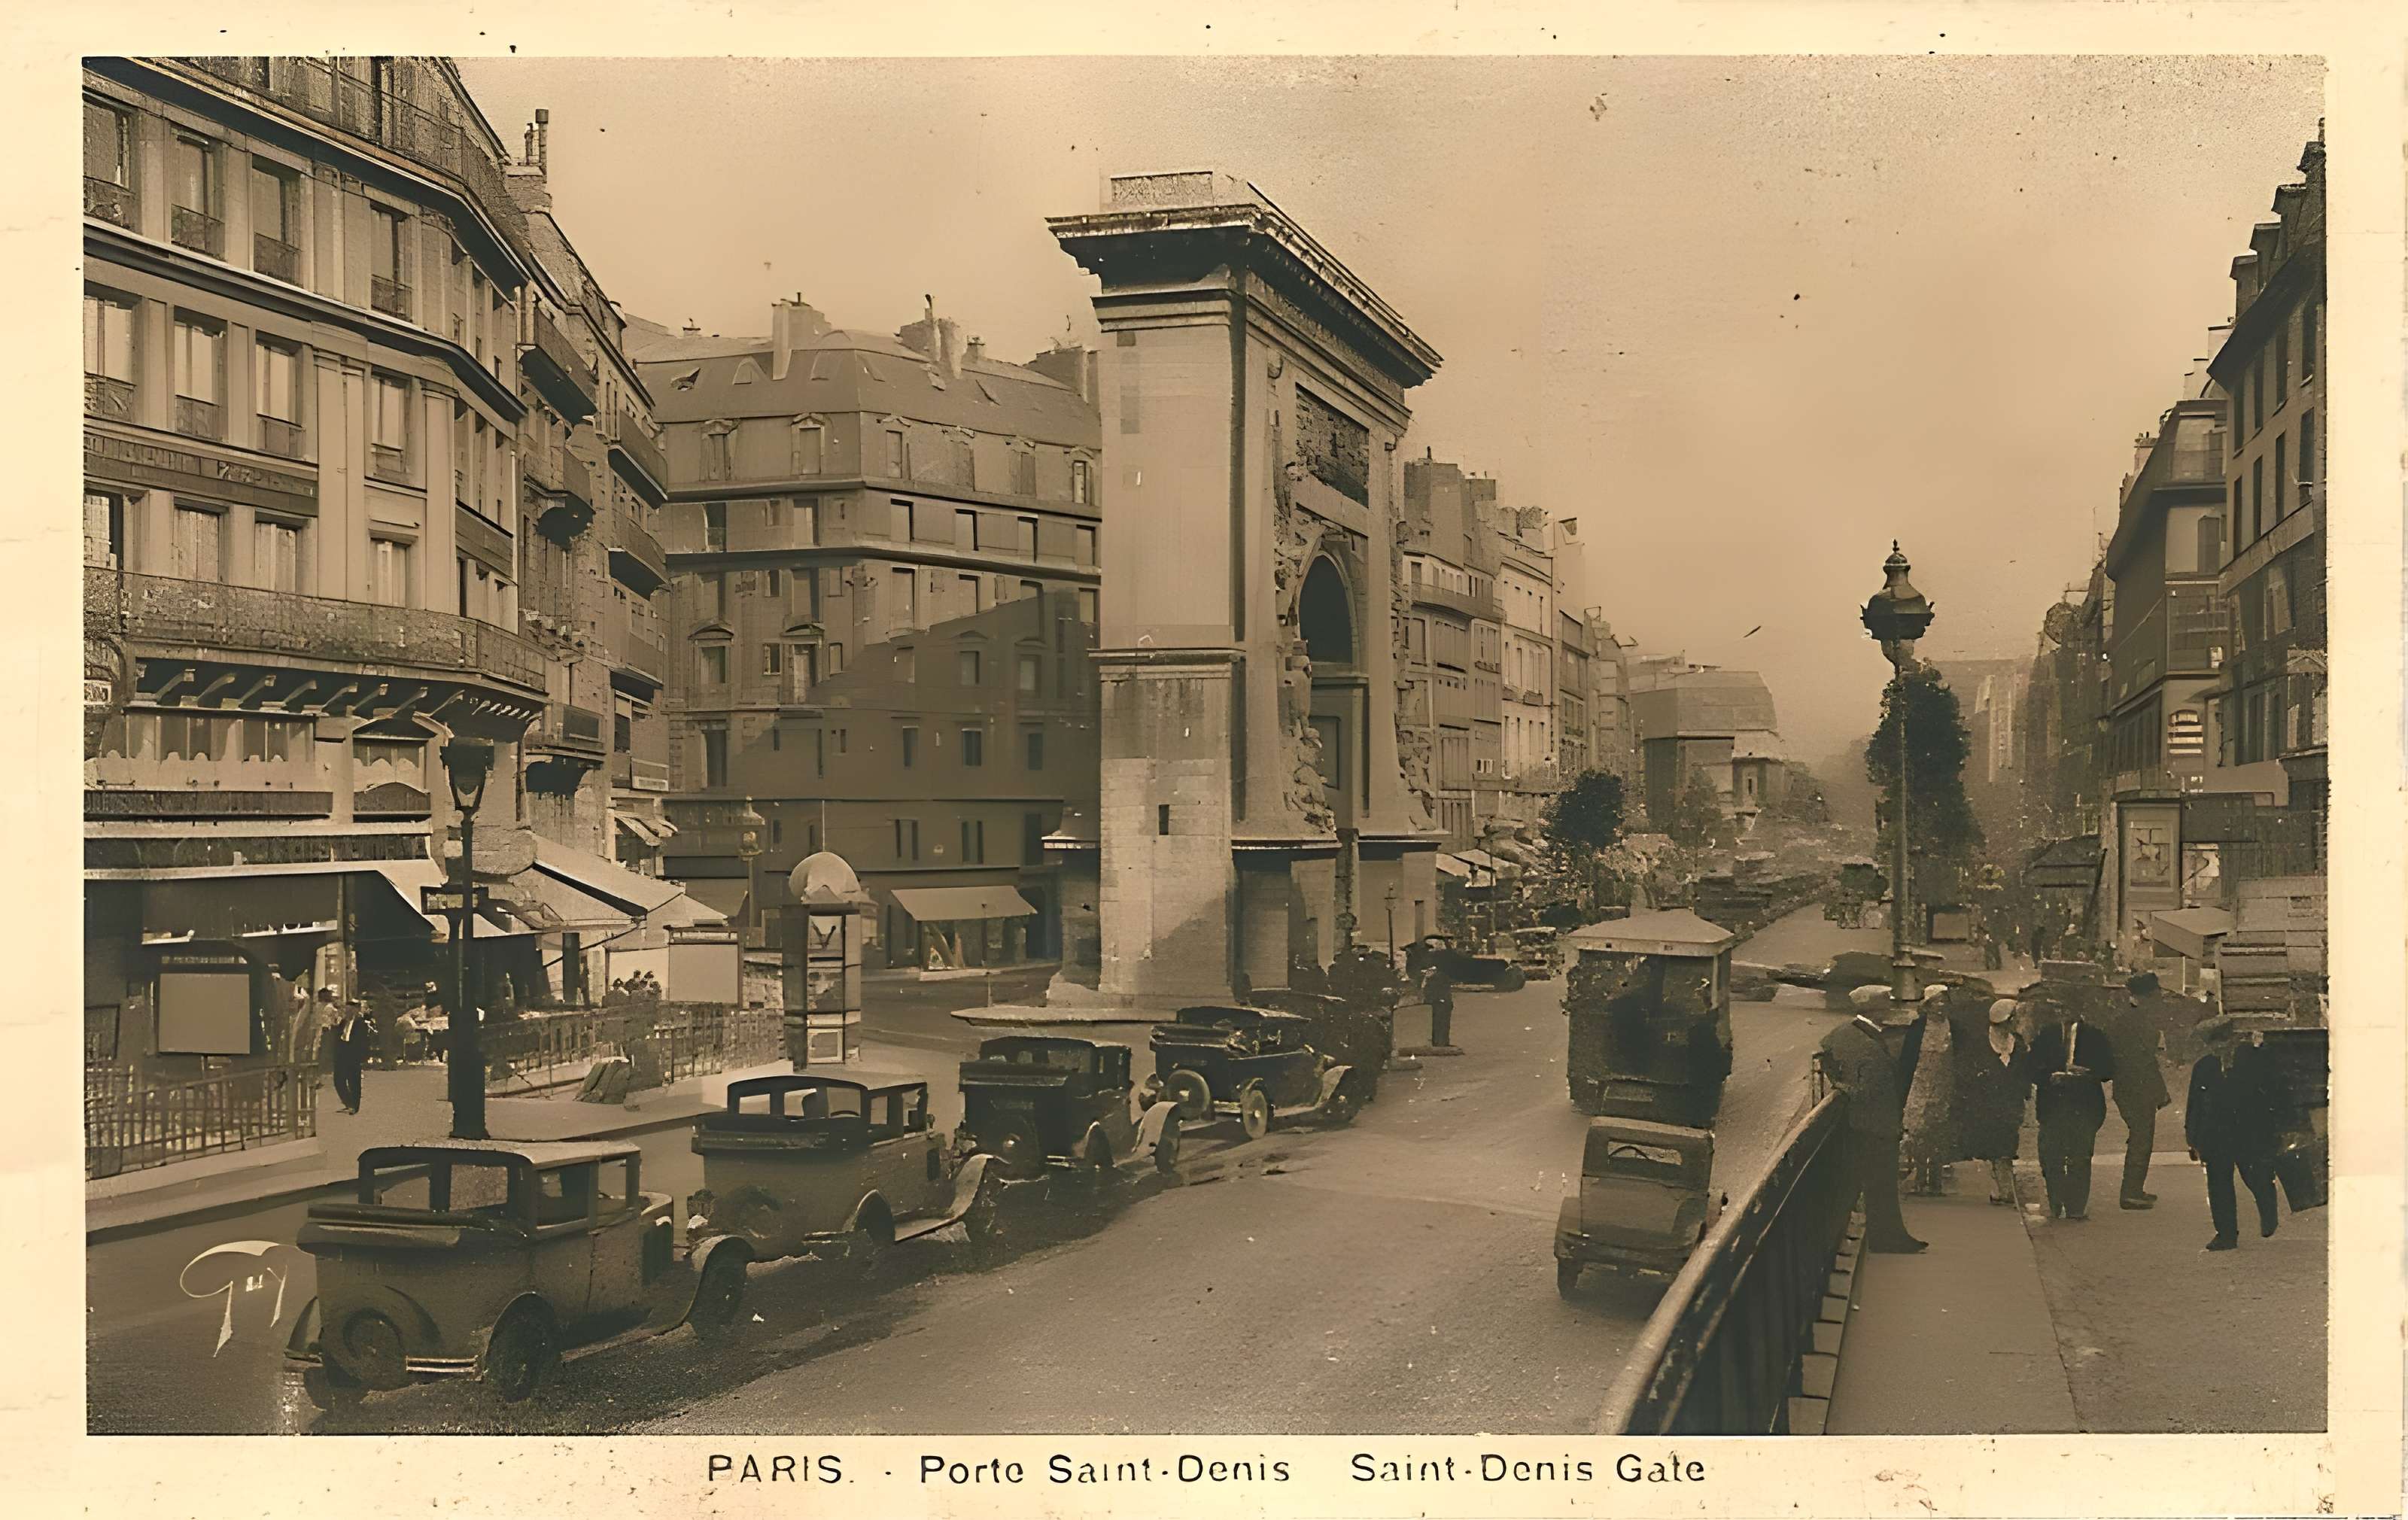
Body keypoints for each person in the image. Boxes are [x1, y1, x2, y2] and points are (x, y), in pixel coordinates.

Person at [1817, 987, 1926, 1253]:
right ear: (1875, 1010)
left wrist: (1839, 1083)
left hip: (1861, 1124)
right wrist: (1845, 1088)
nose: (1889, 1009)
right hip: (1876, 1124)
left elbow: (1826, 1056)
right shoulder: (1867, 1044)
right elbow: (1865, 1090)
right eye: (1886, 1005)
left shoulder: (1844, 1033)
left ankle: (1883, 1237)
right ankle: (1887, 1238)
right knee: (1881, 1185)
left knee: (1857, 1184)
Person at [2186, 1014, 2287, 1251]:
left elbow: (2270, 1093)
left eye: (2222, 1041)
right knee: (2222, 1183)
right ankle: (2227, 1233)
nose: (2220, 1047)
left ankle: (2263, 1210)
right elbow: (2195, 1105)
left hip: (2244, 1132)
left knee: (2251, 1177)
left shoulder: (2251, 1061)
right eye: (2216, 1043)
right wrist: (2193, 1138)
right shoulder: (2208, 1066)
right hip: (2220, 1134)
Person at [2027, 995, 2117, 1221]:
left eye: (2067, 1008)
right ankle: (2056, 1202)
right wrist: (2049, 1077)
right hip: (2053, 1105)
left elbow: (2108, 1069)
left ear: (2079, 1010)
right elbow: (2031, 1068)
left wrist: (2086, 1073)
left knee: (2080, 1157)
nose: (2063, 1014)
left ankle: (2076, 1207)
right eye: (2059, 1009)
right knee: (2051, 1157)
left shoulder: (2094, 1036)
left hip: (2084, 1105)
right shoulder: (2046, 1036)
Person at [1956, 998, 2033, 1205]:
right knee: (1990, 1144)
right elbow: (1965, 1072)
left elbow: (2025, 1072)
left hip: (2010, 1104)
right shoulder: (1979, 1043)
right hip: (1985, 1104)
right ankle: (1999, 1185)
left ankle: (2005, 1187)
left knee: (2007, 1145)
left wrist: (2024, 1093)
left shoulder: (2018, 1043)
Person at [2106, 972, 2172, 1209]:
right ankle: (2130, 1193)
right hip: (2136, 1088)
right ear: (2147, 996)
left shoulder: (2127, 1018)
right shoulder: (2137, 1020)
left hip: (2131, 1087)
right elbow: (2144, 1061)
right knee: (2141, 1140)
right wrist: (2159, 1090)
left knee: (2141, 1138)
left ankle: (2134, 1189)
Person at [1899, 983, 1956, 1195]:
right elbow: (1907, 1060)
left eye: (1944, 1001)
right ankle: (1920, 1177)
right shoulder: (1917, 1028)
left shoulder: (1954, 1027)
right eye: (1936, 1002)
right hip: (1919, 1085)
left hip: (1944, 1086)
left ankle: (1936, 1180)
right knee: (1918, 1132)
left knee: (1939, 1133)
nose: (1941, 1006)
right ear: (1928, 1005)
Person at [329, 1000, 372, 1115]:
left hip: (353, 1054)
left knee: (354, 1081)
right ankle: (348, 1102)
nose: (347, 1012)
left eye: (350, 1010)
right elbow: (337, 1037)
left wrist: (362, 1056)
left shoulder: (360, 1023)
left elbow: (364, 1042)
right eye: (346, 1010)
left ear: (355, 1011)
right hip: (342, 1053)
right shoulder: (343, 1022)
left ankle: (354, 1106)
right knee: (338, 1080)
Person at [1424, 961, 1457, 1050]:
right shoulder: (1440, 977)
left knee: (1439, 1022)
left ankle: (1439, 1042)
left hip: (1440, 1002)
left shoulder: (1435, 978)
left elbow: (1428, 991)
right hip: (1443, 1002)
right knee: (1443, 1022)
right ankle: (1442, 1042)